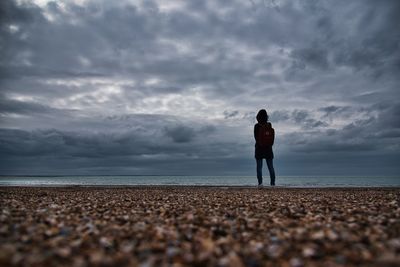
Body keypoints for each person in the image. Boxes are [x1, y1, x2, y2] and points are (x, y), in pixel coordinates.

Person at [254, 109, 276, 187]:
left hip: (259, 148)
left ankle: (260, 184)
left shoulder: (256, 126)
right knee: (271, 167)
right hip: (268, 148)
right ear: (266, 117)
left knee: (259, 167)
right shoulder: (269, 125)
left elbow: (256, 138)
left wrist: (260, 143)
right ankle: (272, 184)